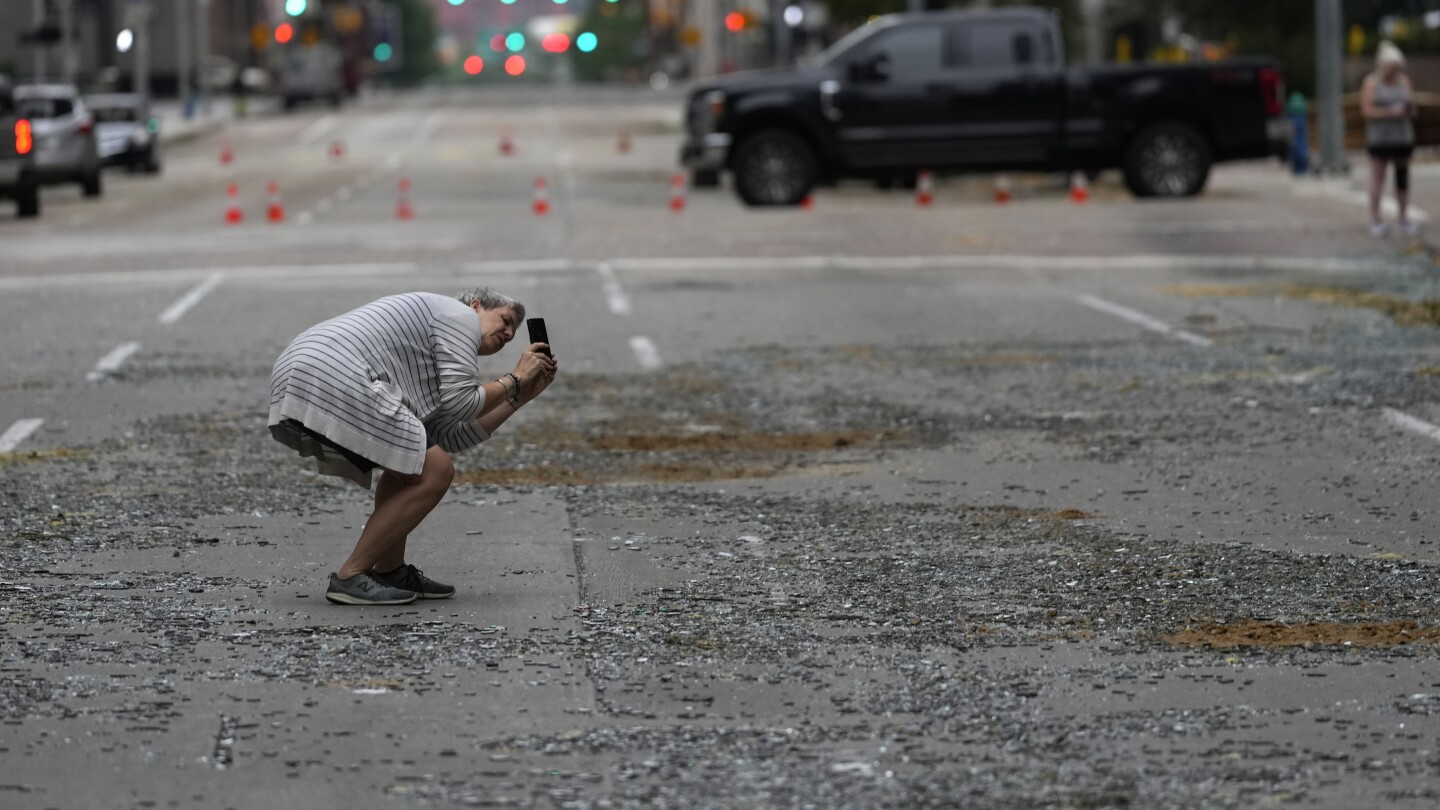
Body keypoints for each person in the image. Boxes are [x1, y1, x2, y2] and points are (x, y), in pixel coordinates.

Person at [267, 288, 557, 606]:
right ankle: (351, 576)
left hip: (305, 369)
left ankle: (390, 571)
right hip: (330, 369)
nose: (510, 332)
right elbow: (463, 403)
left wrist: (520, 397)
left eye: (514, 330)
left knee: (414, 463)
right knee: (436, 470)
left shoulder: (437, 349)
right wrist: (515, 378)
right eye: (505, 319)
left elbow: (449, 436)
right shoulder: (458, 316)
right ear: (476, 306)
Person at [1361, 40, 1419, 238]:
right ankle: (1375, 219)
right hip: (1380, 140)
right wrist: (1391, 112)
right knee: (1378, 178)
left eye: (1397, 68)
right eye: (1391, 67)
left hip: (1402, 138)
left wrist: (1409, 110)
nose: (1394, 71)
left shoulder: (1404, 81)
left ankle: (1403, 217)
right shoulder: (1372, 82)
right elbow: (1367, 110)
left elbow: (1412, 105)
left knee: (1402, 178)